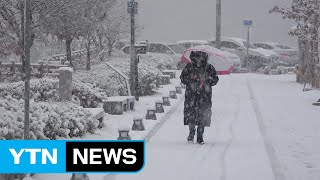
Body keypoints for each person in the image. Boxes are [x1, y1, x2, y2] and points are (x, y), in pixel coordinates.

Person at [180, 51, 219, 144]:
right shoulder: (189, 67)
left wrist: (207, 80)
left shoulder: (209, 68)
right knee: (191, 114)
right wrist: (192, 78)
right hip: (191, 95)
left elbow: (215, 80)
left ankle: (200, 135)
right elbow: (182, 78)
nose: (199, 60)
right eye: (197, 58)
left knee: (203, 115)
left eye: (201, 58)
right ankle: (191, 132)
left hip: (204, 96)